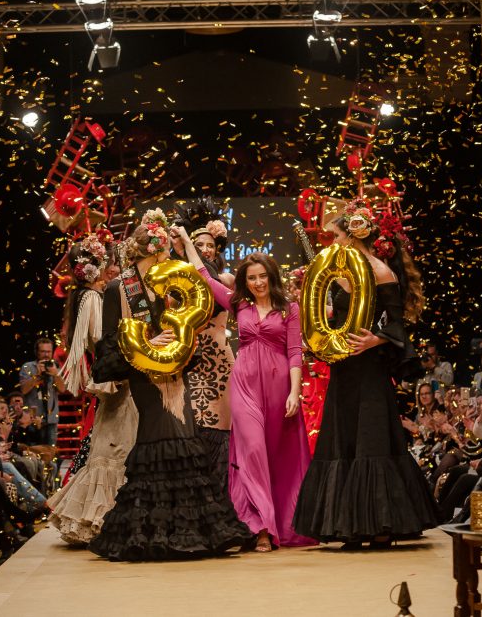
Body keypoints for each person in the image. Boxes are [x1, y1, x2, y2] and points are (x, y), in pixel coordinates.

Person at [88, 209, 251, 561]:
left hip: (177, 371)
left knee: (185, 433)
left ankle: (193, 530)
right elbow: (109, 343)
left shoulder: (170, 282)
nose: (158, 251)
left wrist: (178, 337)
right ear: (141, 247)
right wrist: (148, 340)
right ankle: (153, 531)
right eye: (154, 245)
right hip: (144, 374)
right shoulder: (121, 287)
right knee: (161, 434)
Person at [292, 201, 440, 548]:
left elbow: (396, 324)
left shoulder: (379, 271)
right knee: (343, 439)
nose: (333, 242)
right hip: (344, 370)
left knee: (371, 439)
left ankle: (381, 525)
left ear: (352, 236)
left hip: (370, 370)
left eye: (337, 235)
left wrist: (375, 339)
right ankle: (350, 527)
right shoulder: (338, 275)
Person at [177, 227, 313, 551]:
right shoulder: (240, 305)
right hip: (245, 386)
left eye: (262, 276)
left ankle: (282, 521)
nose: (258, 283)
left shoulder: (289, 309)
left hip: (280, 388)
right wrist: (184, 241)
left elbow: (295, 352)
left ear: (271, 277)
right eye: (251, 278)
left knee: (277, 456)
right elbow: (204, 280)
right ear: (245, 282)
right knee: (251, 451)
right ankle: (261, 527)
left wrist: (295, 392)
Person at [49, 232, 138, 546]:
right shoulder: (91, 299)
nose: (110, 270)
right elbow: (102, 337)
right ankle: (100, 518)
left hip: (116, 381)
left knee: (111, 446)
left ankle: (102, 515)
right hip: (115, 381)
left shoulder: (88, 297)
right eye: (106, 264)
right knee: (114, 448)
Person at [172, 204, 236, 492]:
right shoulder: (176, 282)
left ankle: (223, 495)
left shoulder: (227, 280)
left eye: (210, 245)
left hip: (220, 359)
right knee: (192, 422)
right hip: (189, 355)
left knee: (222, 424)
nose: (206, 250)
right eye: (199, 245)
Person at [19, 338, 66, 445]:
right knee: (33, 453)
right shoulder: (28, 367)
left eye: (48, 352)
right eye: (43, 352)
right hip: (32, 419)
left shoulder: (56, 367)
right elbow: (24, 390)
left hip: (51, 419)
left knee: (49, 455)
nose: (46, 355)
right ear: (37, 352)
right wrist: (37, 376)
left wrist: (55, 375)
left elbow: (62, 389)